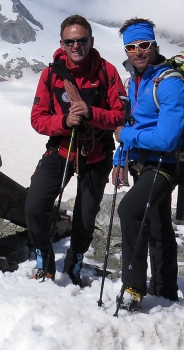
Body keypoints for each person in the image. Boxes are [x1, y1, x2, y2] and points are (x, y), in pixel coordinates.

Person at [26, 15, 126, 283]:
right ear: (62, 43)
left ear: (91, 41)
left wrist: (91, 113)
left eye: (82, 40)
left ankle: (73, 265)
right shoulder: (51, 75)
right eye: (70, 41)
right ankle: (44, 260)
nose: (76, 46)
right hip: (61, 149)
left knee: (85, 216)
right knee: (35, 204)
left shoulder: (106, 71)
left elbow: (120, 115)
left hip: (96, 153)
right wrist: (64, 121)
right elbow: (37, 118)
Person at [113, 18, 184, 311]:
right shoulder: (134, 80)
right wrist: (120, 158)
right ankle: (166, 290)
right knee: (158, 225)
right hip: (143, 162)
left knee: (130, 210)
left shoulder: (169, 84)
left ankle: (133, 286)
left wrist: (126, 136)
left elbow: (166, 139)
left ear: (154, 45)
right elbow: (132, 121)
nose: (138, 51)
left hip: (165, 164)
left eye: (144, 45)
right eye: (131, 46)